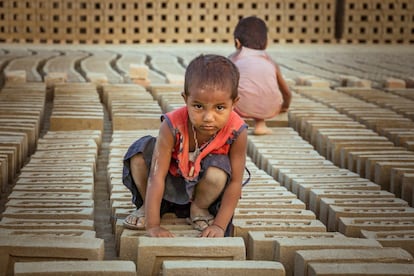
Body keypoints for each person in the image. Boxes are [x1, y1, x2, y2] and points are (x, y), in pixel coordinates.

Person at [122, 54, 248, 238]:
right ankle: (147, 208)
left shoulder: (237, 131)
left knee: (219, 172)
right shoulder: (172, 126)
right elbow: (156, 176)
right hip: (168, 184)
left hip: (202, 189)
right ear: (185, 99)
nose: (208, 117)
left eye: (220, 108)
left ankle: (199, 209)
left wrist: (220, 226)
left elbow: (236, 182)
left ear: (234, 103)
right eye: (198, 106)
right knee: (139, 154)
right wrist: (153, 225)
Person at [229, 16, 292, 135]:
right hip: (270, 108)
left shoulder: (233, 59)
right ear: (266, 43)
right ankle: (260, 125)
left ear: (237, 43)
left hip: (241, 107)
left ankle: (234, 124)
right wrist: (284, 106)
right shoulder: (270, 62)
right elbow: (286, 93)